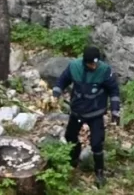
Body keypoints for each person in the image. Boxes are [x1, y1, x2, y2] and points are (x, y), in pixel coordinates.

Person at [52, 46, 121, 187]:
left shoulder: (105, 71)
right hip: (77, 111)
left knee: (97, 143)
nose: (94, 66)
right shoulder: (74, 67)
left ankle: (100, 172)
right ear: (85, 62)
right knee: (70, 137)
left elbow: (114, 91)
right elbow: (62, 81)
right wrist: (55, 94)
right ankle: (74, 157)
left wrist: (115, 110)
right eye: (91, 63)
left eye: (96, 63)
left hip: (95, 113)